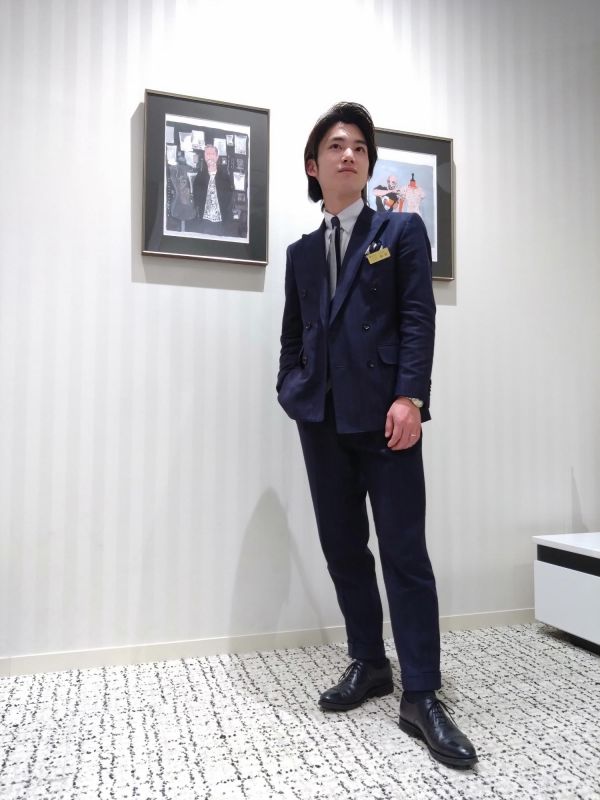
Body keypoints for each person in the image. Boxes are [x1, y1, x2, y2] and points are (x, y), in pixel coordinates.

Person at [276, 102, 477, 770]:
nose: (350, 154)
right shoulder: (301, 254)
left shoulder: (401, 229)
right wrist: (292, 390)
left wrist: (410, 397)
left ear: (369, 164)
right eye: (337, 146)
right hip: (322, 422)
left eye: (360, 147)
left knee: (404, 554)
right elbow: (294, 335)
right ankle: (369, 661)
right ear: (314, 166)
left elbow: (418, 318)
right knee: (343, 549)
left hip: (389, 420)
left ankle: (421, 693)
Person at [192, 144, 233, 234]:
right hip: (203, 221)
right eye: (207, 154)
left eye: (212, 154)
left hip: (221, 221)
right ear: (204, 157)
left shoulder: (225, 177)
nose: (210, 156)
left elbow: (228, 199)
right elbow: (196, 198)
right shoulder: (199, 176)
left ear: (217, 157)